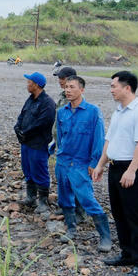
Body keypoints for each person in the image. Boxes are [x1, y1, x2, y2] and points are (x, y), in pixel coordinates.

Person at [91, 70, 138, 276]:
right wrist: (100, 165)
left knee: (135, 216)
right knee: (119, 213)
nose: (111, 90)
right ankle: (127, 254)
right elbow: (109, 141)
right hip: (115, 167)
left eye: (113, 86)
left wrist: (132, 170)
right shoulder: (119, 112)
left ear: (127, 88)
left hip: (132, 169)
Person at [54, 75, 112, 250]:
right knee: (64, 197)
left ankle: (105, 237)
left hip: (81, 163)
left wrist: (95, 163)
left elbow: (99, 139)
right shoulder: (61, 112)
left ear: (82, 90)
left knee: (87, 198)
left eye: (72, 87)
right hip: (63, 162)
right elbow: (59, 136)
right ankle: (71, 229)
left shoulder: (93, 112)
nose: (68, 90)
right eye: (66, 87)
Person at [14, 71, 56, 216]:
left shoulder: (48, 103)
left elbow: (42, 123)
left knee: (40, 171)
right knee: (27, 169)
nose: (27, 84)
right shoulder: (30, 99)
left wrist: (26, 132)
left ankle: (43, 202)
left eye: (29, 82)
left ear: (36, 85)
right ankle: (31, 197)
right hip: (26, 143)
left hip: (38, 144)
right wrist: (17, 128)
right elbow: (22, 115)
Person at [48, 65, 83, 221]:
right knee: (62, 178)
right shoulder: (62, 97)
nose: (59, 81)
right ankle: (66, 207)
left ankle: (80, 212)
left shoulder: (76, 101)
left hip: (73, 148)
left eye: (61, 78)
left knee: (75, 179)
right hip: (61, 144)